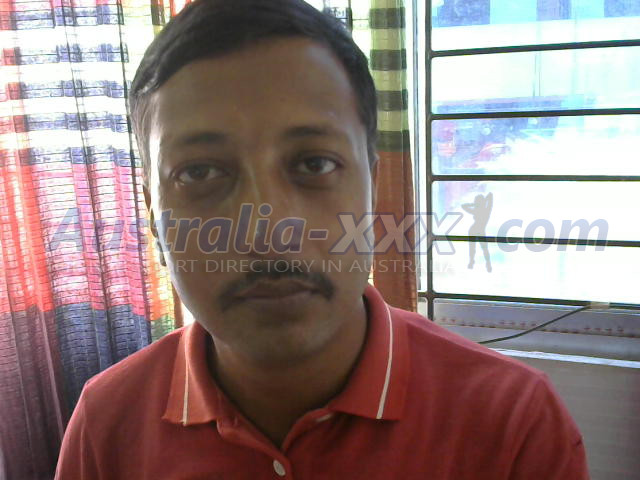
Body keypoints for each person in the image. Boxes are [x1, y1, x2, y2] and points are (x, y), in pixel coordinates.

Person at [54, 0, 590, 478]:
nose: (268, 231)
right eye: (199, 173)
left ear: (372, 187)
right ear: (153, 215)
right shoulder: (108, 425)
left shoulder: (511, 424)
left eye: (314, 163)